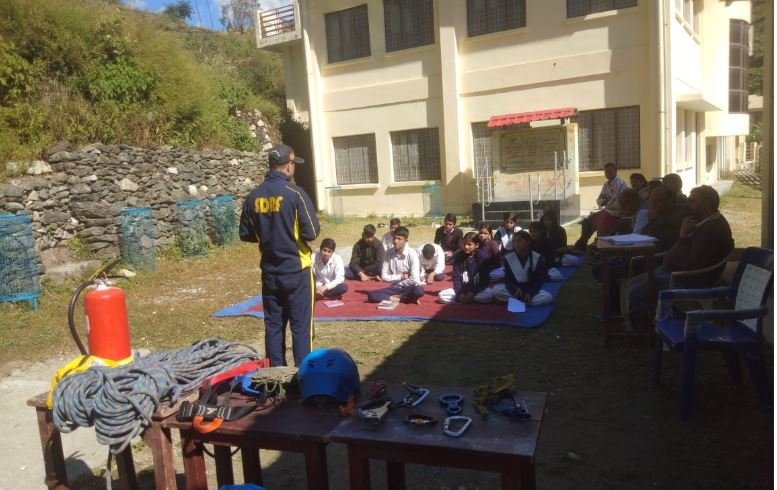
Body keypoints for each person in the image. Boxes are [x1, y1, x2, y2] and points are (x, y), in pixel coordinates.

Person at [239, 143, 320, 367]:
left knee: (273, 326)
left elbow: (246, 234)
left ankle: (276, 376)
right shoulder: (295, 194)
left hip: (270, 272)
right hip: (297, 271)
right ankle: (304, 375)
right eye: (294, 164)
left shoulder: (252, 197)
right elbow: (312, 232)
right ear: (288, 165)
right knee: (301, 326)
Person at [628, 185, 734, 316]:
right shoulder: (699, 222)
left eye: (692, 201)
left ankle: (662, 321)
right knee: (632, 284)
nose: (687, 204)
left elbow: (692, 263)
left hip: (685, 278)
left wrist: (683, 237)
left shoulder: (713, 229)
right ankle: (650, 318)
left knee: (634, 293)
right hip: (671, 271)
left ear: (707, 204)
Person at [574, 162, 628, 251]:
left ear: (615, 171)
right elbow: (599, 200)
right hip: (607, 211)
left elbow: (615, 201)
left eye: (610, 171)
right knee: (587, 221)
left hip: (616, 213)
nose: (608, 173)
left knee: (601, 220)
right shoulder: (606, 184)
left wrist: (605, 201)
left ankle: (599, 245)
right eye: (606, 172)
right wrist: (604, 201)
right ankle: (582, 243)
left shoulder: (620, 184)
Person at [367, 226, 424, 304]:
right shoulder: (388, 253)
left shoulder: (412, 254)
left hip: (409, 287)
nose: (395, 241)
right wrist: (400, 277)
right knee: (372, 295)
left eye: (399, 239)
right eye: (394, 238)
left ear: (406, 241)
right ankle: (401, 298)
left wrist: (399, 282)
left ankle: (398, 297)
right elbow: (384, 277)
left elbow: (414, 279)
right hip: (395, 288)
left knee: (419, 291)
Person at [493, 231, 549, 304]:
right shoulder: (509, 258)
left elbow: (539, 280)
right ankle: (524, 300)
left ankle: (517, 300)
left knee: (547, 297)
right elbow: (508, 280)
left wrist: (530, 293)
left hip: (530, 289)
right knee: (497, 290)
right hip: (516, 290)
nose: (516, 244)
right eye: (514, 242)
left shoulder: (537, 257)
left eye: (519, 241)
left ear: (528, 242)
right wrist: (515, 289)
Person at [439, 232, 494, 304]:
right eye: (464, 244)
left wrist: (472, 293)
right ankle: (465, 299)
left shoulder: (483, 256)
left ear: (477, 245)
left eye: (469, 244)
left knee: (488, 295)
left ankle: (466, 299)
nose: (466, 247)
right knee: (442, 295)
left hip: (477, 289)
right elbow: (456, 276)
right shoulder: (459, 256)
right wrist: (460, 293)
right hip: (462, 288)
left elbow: (484, 279)